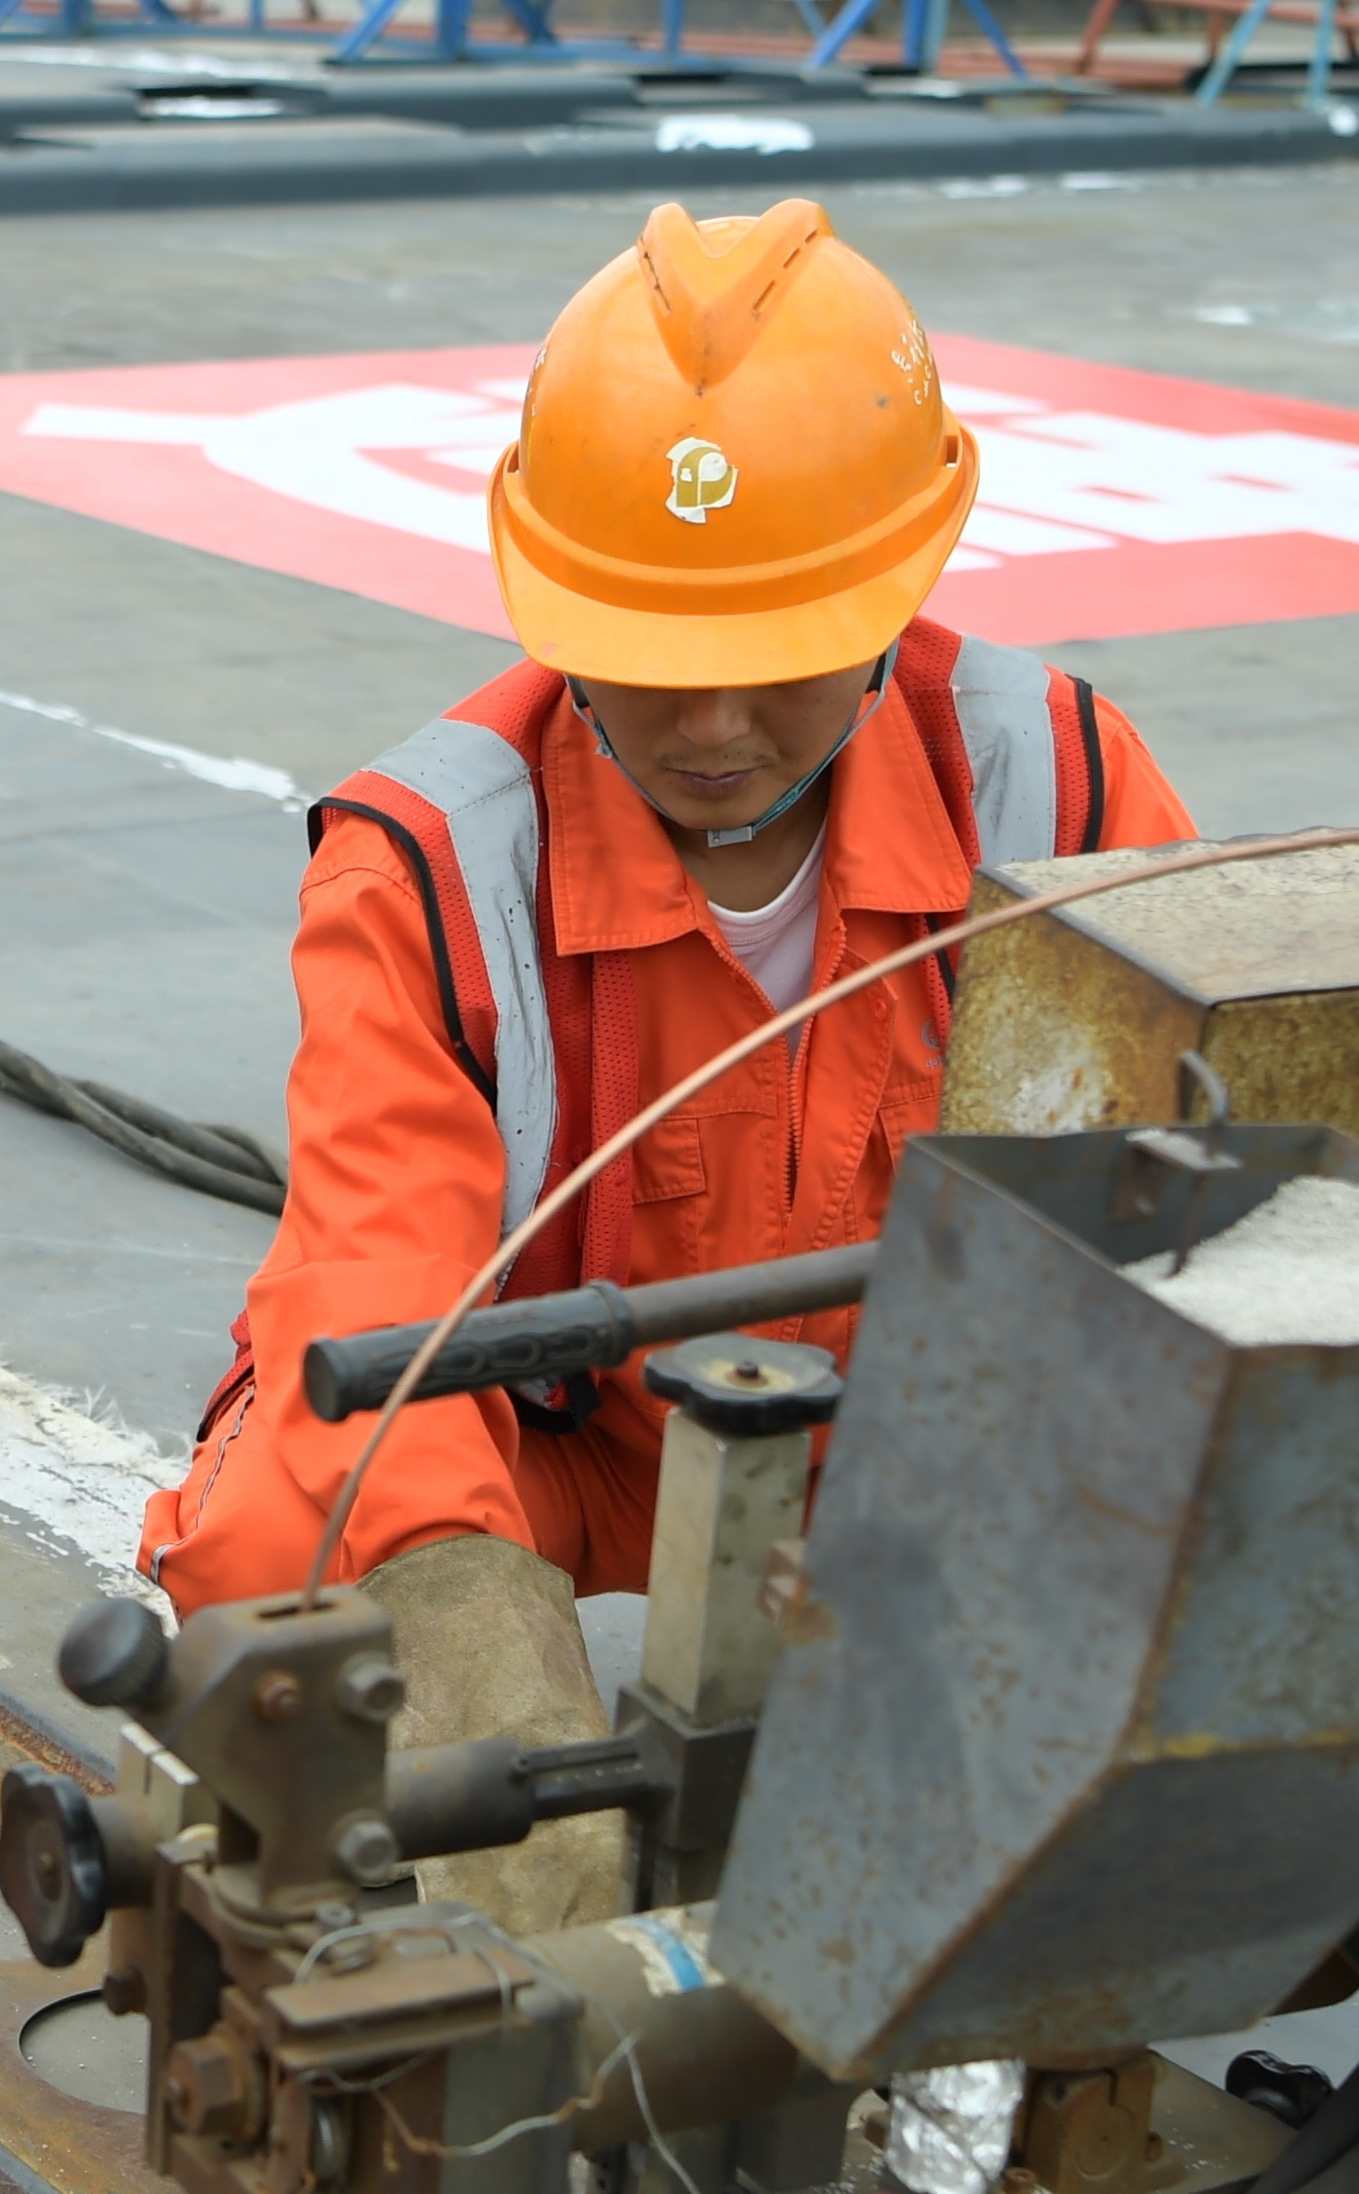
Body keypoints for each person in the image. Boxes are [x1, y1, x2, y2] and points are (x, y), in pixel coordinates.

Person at [143, 197, 1197, 1934]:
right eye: (649, 665)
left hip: (909, 1432)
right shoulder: (423, 864)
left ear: (894, 589)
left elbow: (1190, 1204)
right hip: (564, 1435)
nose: (712, 730)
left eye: (775, 661)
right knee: (284, 1534)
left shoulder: (1056, 786)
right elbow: (375, 1287)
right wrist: (494, 1737)